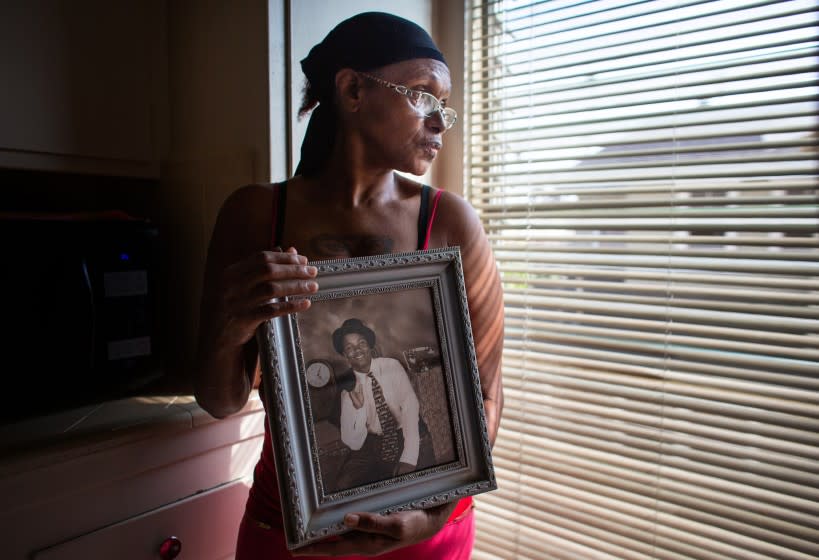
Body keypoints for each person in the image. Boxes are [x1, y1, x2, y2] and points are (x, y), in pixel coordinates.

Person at [194, 11, 504, 559]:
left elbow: (486, 392)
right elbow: (221, 401)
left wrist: (430, 518)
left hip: (425, 528)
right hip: (294, 526)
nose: (439, 121)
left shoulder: (451, 222)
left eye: (444, 106)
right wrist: (228, 328)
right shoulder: (255, 215)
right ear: (353, 89)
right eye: (422, 95)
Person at [332, 318, 433, 491]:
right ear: (345, 356)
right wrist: (359, 409)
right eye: (349, 347)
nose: (357, 350)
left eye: (361, 343)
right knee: (342, 486)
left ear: (369, 346)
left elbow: (410, 408)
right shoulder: (347, 386)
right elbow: (353, 442)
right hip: (370, 444)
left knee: (407, 483)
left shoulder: (392, 366)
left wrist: (409, 457)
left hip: (402, 434)